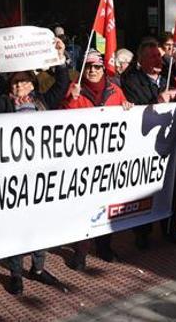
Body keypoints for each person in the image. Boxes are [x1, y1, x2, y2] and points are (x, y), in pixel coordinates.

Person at [0, 37, 69, 294]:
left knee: (40, 223)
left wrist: (60, 57)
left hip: (39, 175)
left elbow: (62, 84)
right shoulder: (1, 103)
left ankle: (38, 268)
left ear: (33, 82)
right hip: (12, 176)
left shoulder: (42, 101)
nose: (20, 84)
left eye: (25, 80)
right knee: (16, 226)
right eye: (16, 81)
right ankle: (16, 273)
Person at [62, 50, 133, 269]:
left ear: (103, 69)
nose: (92, 71)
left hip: (108, 162)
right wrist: (71, 100)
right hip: (83, 162)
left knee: (106, 205)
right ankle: (81, 251)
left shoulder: (115, 90)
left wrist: (128, 108)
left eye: (97, 67)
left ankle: (104, 246)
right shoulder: (74, 90)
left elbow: (126, 116)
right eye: (89, 67)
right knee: (82, 206)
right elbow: (60, 121)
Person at [121, 40, 176, 248]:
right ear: (141, 61)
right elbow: (139, 107)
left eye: (159, 56)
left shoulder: (170, 76)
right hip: (144, 146)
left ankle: (170, 229)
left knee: (170, 187)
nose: (159, 60)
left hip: (169, 143)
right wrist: (159, 100)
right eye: (153, 57)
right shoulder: (132, 80)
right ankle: (142, 233)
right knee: (144, 189)